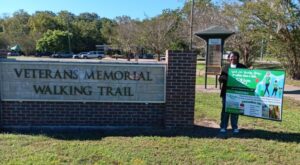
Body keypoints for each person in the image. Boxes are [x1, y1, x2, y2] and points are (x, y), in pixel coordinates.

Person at [218, 51, 246, 134]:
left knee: (235, 110)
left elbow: (248, 78)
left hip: (237, 93)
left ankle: (234, 127)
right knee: (225, 110)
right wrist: (223, 78)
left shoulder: (242, 67)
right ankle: (223, 126)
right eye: (231, 57)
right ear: (228, 58)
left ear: (237, 58)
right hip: (226, 92)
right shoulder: (225, 67)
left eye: (234, 57)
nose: (233, 58)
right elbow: (221, 78)